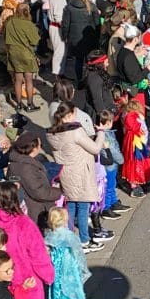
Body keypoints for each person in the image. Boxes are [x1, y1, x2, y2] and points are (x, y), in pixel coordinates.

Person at [47, 103, 113, 251]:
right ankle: (84, 240)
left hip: (65, 173)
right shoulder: (75, 131)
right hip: (81, 172)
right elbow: (95, 148)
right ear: (69, 115)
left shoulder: (51, 133)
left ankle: (70, 238)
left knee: (70, 206)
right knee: (83, 208)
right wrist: (101, 133)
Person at [4, 133, 62, 225]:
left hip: (29, 208)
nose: (41, 148)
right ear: (34, 148)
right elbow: (39, 193)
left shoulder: (17, 161)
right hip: (35, 212)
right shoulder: (26, 167)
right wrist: (60, 191)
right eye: (40, 145)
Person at [42, 208, 91, 299]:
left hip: (55, 262)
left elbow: (45, 250)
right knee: (72, 282)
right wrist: (83, 268)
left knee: (58, 281)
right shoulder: (69, 235)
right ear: (65, 220)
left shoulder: (49, 234)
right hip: (69, 262)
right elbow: (78, 253)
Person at [1, 2, 41, 111]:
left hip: (13, 53)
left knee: (17, 80)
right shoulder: (28, 24)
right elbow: (35, 40)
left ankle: (18, 104)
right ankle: (29, 104)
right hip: (26, 53)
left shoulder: (9, 22)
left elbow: (4, 37)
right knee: (29, 80)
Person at [119, 97, 150, 199]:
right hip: (136, 145)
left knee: (138, 163)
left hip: (138, 144)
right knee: (135, 164)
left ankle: (141, 182)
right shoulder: (132, 117)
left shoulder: (130, 116)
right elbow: (136, 127)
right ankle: (135, 186)